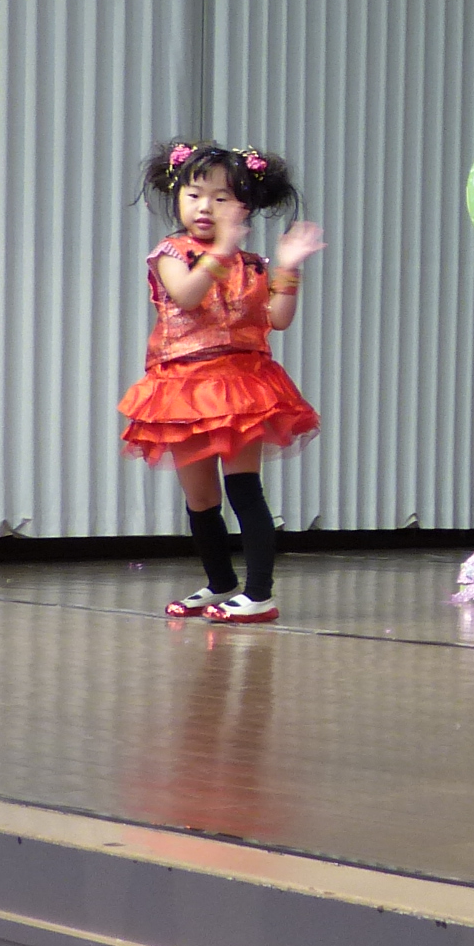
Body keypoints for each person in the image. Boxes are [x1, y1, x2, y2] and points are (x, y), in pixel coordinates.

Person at [122, 140, 325, 625]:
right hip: (181, 388)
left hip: (241, 386)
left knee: (244, 489)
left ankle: (259, 595)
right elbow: (187, 295)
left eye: (221, 198)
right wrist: (222, 249)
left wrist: (288, 267)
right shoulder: (170, 253)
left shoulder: (252, 264)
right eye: (194, 195)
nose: (205, 207)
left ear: (244, 207)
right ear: (176, 197)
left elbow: (278, 319)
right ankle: (220, 583)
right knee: (200, 499)